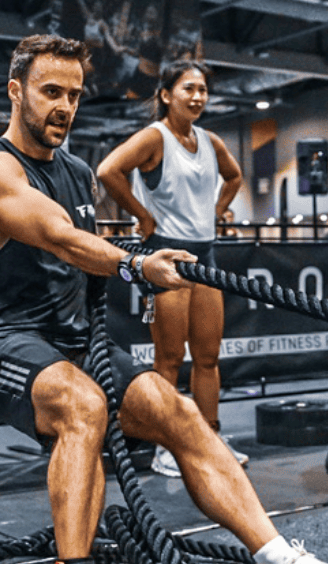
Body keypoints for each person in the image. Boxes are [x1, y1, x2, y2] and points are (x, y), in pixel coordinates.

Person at [0, 35, 328, 564]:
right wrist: (136, 264)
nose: (64, 107)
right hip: (1, 343)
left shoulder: (77, 172)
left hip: (69, 342)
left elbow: (80, 262)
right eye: (50, 92)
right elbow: (58, 236)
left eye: (74, 95)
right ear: (16, 92)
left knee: (171, 406)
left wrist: (123, 273)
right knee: (83, 404)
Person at [97, 60, 248, 477]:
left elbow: (234, 177)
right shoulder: (155, 137)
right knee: (168, 358)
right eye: (188, 89)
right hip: (166, 255)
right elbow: (108, 171)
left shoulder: (211, 141)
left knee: (207, 357)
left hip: (206, 255)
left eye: (202, 89)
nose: (197, 97)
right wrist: (142, 217)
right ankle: (168, 446)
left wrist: (217, 211)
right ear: (166, 95)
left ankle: (210, 438)